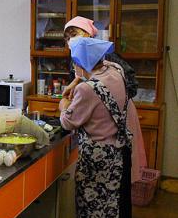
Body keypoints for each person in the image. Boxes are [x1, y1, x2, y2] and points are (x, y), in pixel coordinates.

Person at [59, 38, 132, 218]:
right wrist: (78, 80)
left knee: (94, 209)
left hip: (97, 158)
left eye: (75, 62)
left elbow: (67, 122)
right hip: (117, 152)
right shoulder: (116, 71)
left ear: (81, 64)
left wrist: (64, 102)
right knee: (112, 206)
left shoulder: (88, 90)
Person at [62, 16, 146, 183]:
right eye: (68, 36)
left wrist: (106, 98)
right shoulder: (83, 59)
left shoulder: (109, 57)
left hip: (116, 113)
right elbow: (84, 75)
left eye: (75, 34)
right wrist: (78, 83)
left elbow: (130, 85)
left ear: (89, 35)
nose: (71, 39)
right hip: (95, 107)